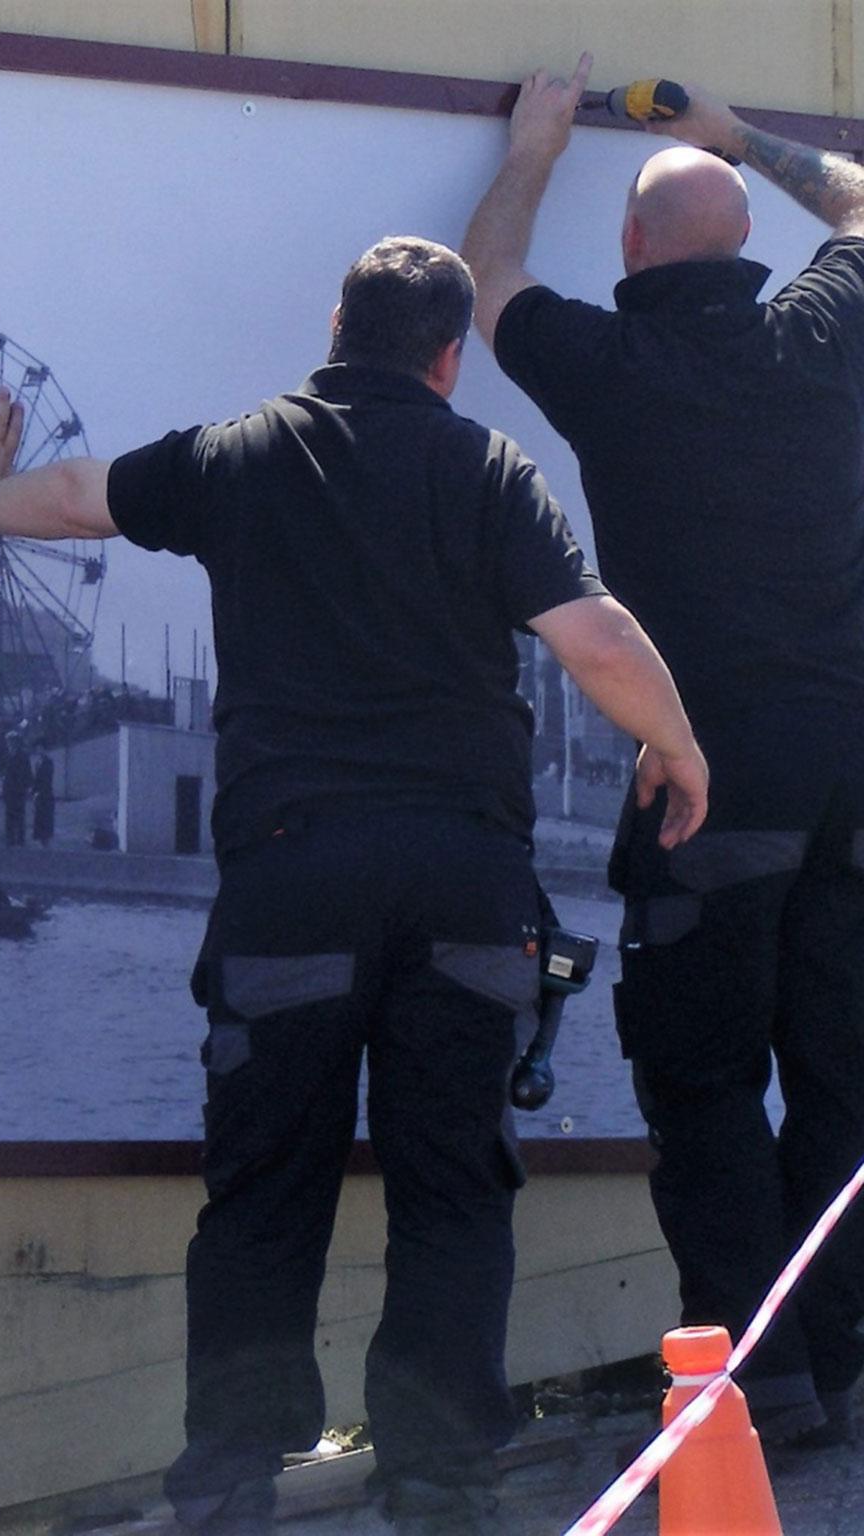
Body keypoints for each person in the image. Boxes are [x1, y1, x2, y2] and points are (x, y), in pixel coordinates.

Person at [0, 236, 708, 1531]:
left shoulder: (240, 456)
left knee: (262, 1201)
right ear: (451, 357)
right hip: (466, 890)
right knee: (455, 1204)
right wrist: (676, 744)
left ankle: (231, 1493)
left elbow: (74, 494)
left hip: (292, 883)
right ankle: (441, 1494)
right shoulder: (487, 468)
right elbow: (598, 633)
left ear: (336, 323)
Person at [463, 60, 864, 1451]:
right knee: (838, 1084)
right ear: (748, 243)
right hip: (846, 792)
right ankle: (836, 1361)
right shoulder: (823, 332)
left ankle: (765, 1382)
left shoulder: (608, 364)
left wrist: (534, 144)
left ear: (632, 250)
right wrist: (736, 135)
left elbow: (487, 275)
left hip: (701, 787)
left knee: (703, 1093)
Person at [0, 731, 32, 846]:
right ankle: (10, 838)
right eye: (8, 741)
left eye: (12, 741)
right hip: (9, 789)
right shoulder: (6, 755)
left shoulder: (23, 756)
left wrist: (27, 787)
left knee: (19, 815)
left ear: (17, 742)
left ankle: (20, 838)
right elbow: (2, 770)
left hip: (19, 789)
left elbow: (27, 772)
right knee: (9, 814)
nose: (10, 743)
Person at [32, 751, 56, 849]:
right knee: (40, 816)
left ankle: (45, 839)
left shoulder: (48, 762)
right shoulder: (38, 762)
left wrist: (38, 791)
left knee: (45, 816)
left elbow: (46, 779)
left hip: (46, 793)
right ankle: (42, 839)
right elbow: (36, 779)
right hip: (40, 793)